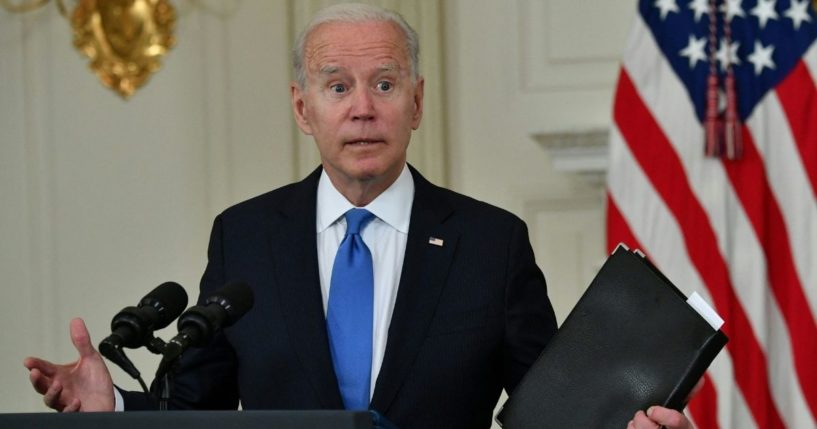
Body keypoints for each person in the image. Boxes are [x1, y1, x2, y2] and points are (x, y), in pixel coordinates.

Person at [23, 4, 696, 429]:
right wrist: (109, 404)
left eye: (384, 83)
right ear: (302, 108)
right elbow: (195, 404)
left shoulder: (491, 244)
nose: (362, 108)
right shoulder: (246, 236)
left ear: (416, 101)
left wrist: (622, 422)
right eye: (337, 86)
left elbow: (548, 408)